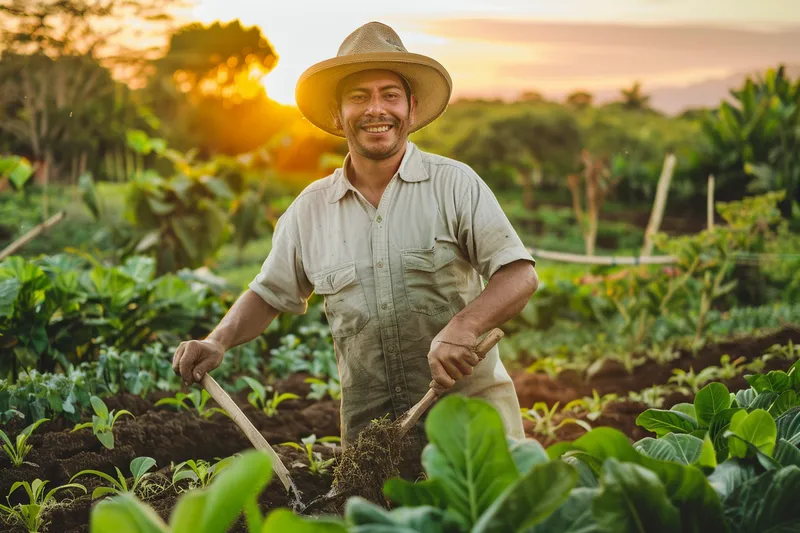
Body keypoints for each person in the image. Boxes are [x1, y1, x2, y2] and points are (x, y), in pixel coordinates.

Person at [172, 21, 538, 476]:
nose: (376, 109)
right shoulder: (310, 210)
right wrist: (217, 340)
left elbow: (519, 274)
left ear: (411, 106)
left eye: (389, 94)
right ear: (337, 112)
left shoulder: (456, 185)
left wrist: (463, 327)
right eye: (359, 96)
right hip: (374, 442)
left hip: (469, 422)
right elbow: (269, 292)